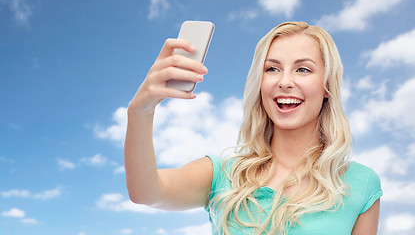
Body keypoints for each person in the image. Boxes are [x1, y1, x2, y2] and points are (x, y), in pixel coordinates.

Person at [124, 21, 382, 235]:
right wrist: (140, 111)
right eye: (272, 69)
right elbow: (145, 192)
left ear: (327, 86)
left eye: (303, 69)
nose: (284, 81)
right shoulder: (222, 174)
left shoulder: (362, 184)